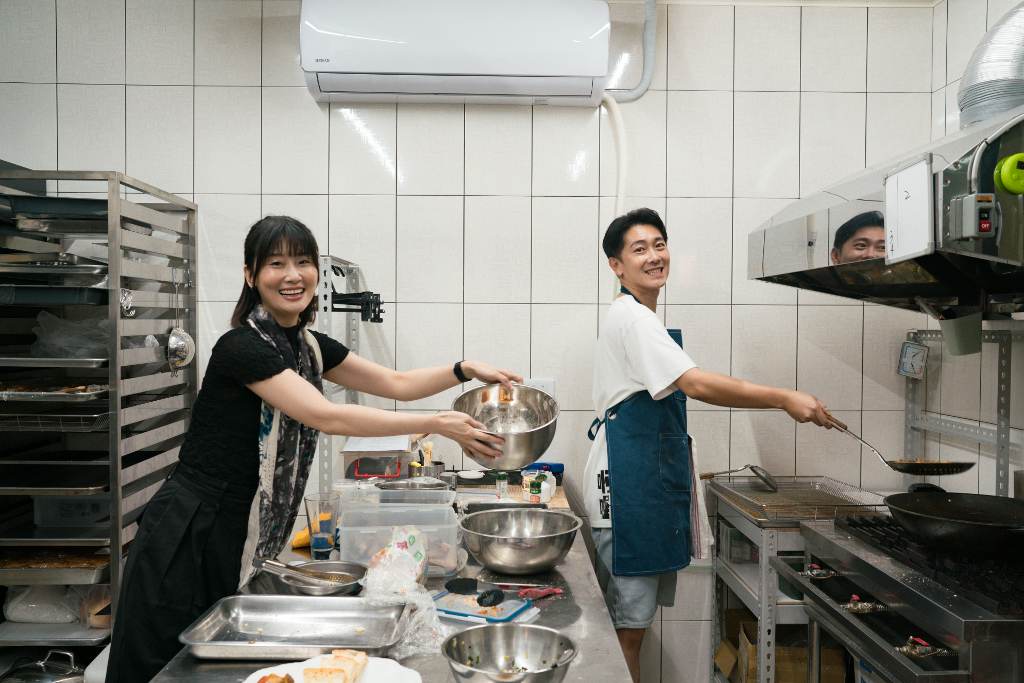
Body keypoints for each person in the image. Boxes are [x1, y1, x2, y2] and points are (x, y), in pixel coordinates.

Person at [105, 216, 521, 683]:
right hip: (189, 529)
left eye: (303, 262)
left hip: (235, 524)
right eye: (276, 263)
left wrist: (464, 368)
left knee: (214, 667)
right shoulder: (242, 346)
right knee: (162, 667)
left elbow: (396, 383)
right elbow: (326, 415)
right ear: (250, 275)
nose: (292, 275)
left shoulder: (307, 346)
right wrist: (437, 424)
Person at [584, 208, 832, 683]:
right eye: (639, 249)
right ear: (616, 265)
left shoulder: (642, 319)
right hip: (627, 502)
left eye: (660, 244)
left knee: (630, 632)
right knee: (626, 638)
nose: (654, 256)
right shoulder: (633, 320)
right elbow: (697, 385)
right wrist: (783, 397)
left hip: (640, 495)